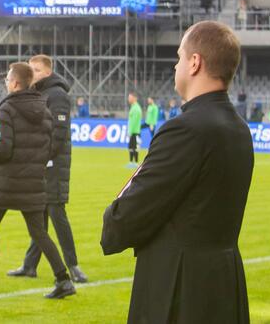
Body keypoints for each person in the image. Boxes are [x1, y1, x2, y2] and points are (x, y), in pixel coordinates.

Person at [101, 20, 253, 324]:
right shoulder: (239, 128)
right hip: (223, 284)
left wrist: (113, 219)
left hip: (179, 291)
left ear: (195, 63)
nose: (176, 66)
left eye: (180, 57)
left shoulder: (184, 130)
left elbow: (122, 219)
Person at [0, 62, 76, 299]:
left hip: (6, 182)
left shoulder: (5, 110)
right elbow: (48, 147)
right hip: (35, 182)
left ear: (15, 83)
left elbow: (3, 150)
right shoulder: (44, 109)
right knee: (39, 233)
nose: (6, 82)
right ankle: (64, 280)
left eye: (7, 78)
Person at [8, 55, 87, 284]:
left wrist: (42, 158)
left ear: (48, 72)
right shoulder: (39, 94)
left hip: (54, 164)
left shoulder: (57, 95)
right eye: (30, 69)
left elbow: (59, 134)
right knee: (38, 215)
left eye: (37, 69)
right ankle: (30, 265)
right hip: (42, 162)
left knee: (56, 213)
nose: (32, 73)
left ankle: (73, 266)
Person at [127, 92, 142, 168]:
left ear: (134, 98)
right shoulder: (133, 107)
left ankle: (135, 163)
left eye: (130, 97)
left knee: (135, 147)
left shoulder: (136, 108)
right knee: (130, 147)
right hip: (133, 131)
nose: (128, 99)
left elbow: (134, 121)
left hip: (135, 132)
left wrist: (130, 131)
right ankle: (131, 162)